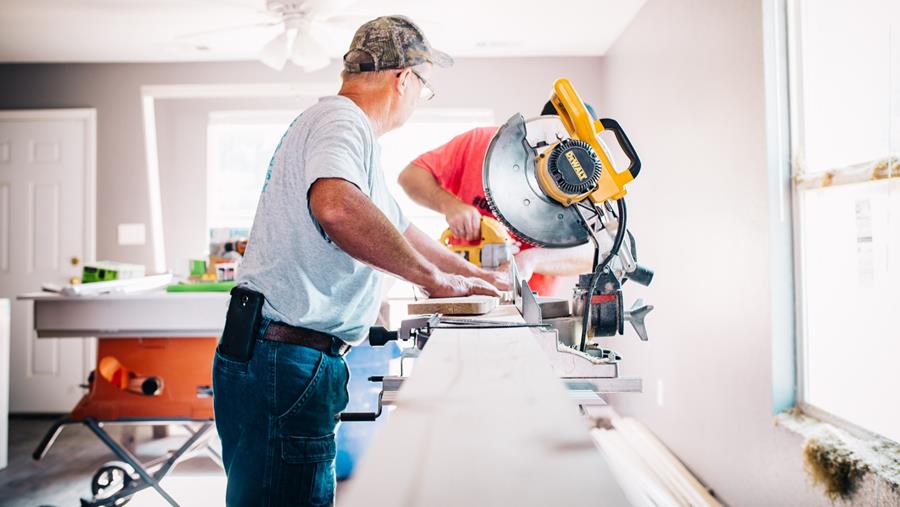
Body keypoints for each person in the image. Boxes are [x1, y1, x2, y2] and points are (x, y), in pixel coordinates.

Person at [212, 16, 505, 507]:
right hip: (286, 359)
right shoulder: (342, 121)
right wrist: (435, 281)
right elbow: (336, 206)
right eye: (423, 87)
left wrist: (471, 276)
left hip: (276, 353)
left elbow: (400, 227)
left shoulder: (343, 133)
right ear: (404, 78)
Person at [397, 102, 597, 296]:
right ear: (539, 128)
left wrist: (531, 259)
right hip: (460, 290)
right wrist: (449, 205)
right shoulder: (481, 143)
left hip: (530, 302)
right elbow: (410, 176)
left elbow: (593, 253)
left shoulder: (583, 186)